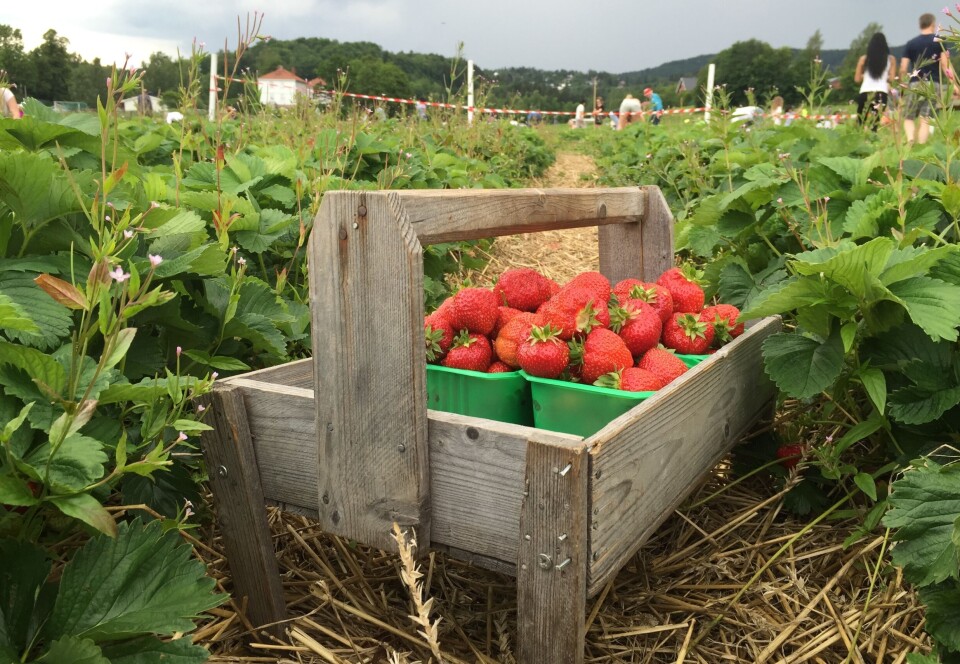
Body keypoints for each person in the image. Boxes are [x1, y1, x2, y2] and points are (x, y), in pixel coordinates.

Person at [900, 12, 953, 144]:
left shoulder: (910, 43)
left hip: (915, 83)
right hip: (934, 83)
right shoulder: (939, 40)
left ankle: (911, 141)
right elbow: (945, 65)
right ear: (933, 24)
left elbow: (903, 67)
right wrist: (954, 84)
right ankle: (921, 146)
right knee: (926, 118)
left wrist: (902, 86)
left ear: (920, 25)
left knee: (909, 116)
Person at [854, 32, 896, 131]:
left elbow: (857, 79)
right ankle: (872, 142)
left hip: (865, 92)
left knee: (861, 121)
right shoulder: (891, 60)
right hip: (881, 93)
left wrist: (864, 76)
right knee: (874, 124)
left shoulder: (863, 59)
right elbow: (891, 79)